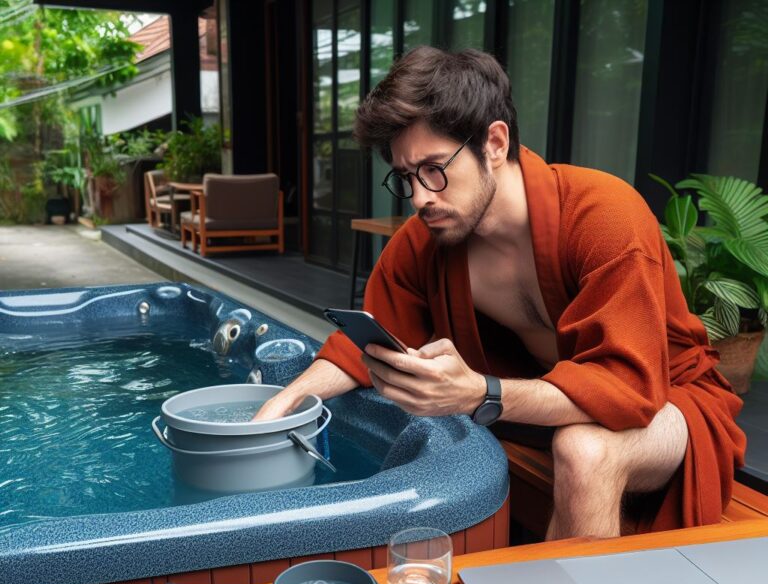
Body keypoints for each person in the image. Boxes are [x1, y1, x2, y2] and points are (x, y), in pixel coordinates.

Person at [256, 46, 746, 539]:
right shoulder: (426, 240)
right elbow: (359, 349)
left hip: (666, 402)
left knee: (584, 448)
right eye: (407, 178)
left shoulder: (603, 215)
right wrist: (281, 405)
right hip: (534, 408)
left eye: (433, 168)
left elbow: (628, 388)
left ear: (493, 142)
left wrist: (479, 393)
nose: (422, 198)